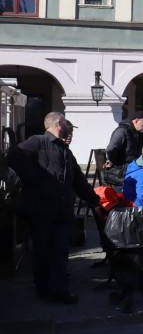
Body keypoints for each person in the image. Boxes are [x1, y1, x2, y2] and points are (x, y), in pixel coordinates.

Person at [7, 112, 103, 303]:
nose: (70, 127)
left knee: (60, 250)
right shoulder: (39, 141)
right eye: (67, 123)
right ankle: (44, 288)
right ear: (59, 123)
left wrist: (95, 201)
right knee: (43, 251)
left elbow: (79, 181)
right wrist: (36, 178)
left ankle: (59, 290)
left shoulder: (66, 151)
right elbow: (14, 155)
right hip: (41, 210)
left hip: (62, 211)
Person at [104, 110, 143, 189]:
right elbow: (111, 149)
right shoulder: (122, 130)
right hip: (119, 178)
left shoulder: (135, 133)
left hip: (128, 176)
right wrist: (114, 162)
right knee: (121, 200)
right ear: (136, 120)